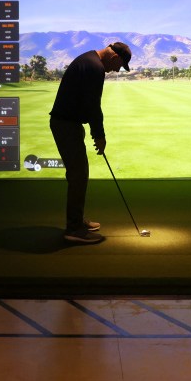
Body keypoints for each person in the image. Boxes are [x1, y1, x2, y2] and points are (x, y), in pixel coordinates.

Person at [49, 41, 132, 244]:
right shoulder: (95, 67)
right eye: (119, 66)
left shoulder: (89, 59)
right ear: (114, 57)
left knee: (78, 174)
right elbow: (93, 106)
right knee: (78, 175)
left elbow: (87, 103)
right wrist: (99, 136)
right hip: (66, 125)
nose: (116, 70)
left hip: (68, 123)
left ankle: (77, 221)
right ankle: (74, 229)